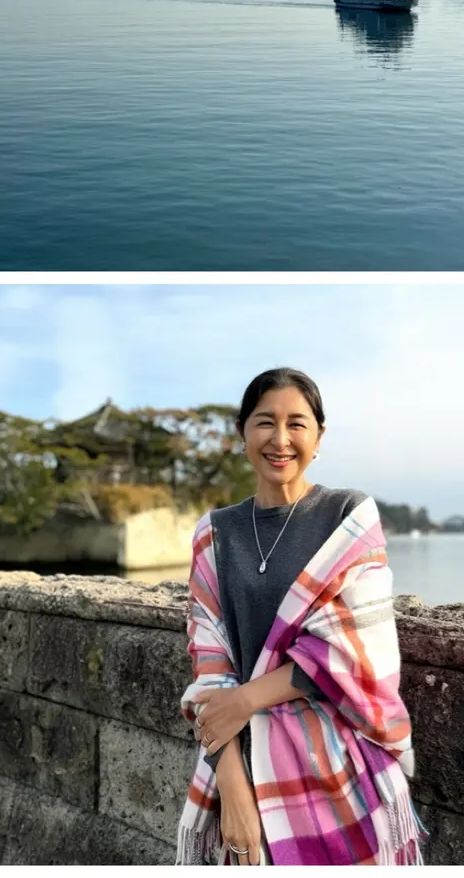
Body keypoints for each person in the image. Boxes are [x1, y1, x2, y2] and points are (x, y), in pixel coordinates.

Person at [177, 368, 425, 866]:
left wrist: (246, 698)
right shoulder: (216, 532)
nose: (281, 439)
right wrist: (230, 780)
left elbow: (357, 645)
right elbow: (209, 659)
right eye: (265, 422)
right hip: (244, 760)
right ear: (243, 431)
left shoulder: (348, 516)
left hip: (342, 766)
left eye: (297, 423)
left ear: (319, 436)